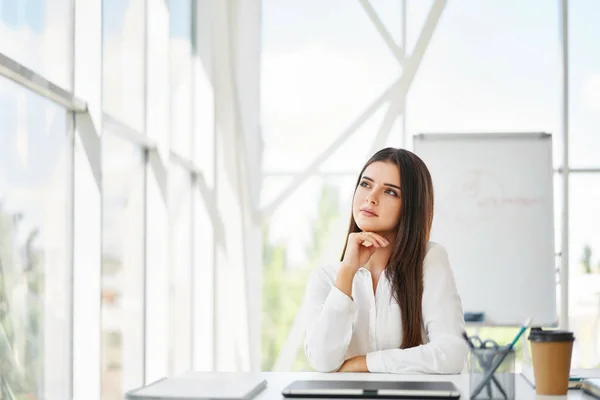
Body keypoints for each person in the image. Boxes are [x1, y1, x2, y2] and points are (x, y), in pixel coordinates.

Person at [303, 147, 468, 374]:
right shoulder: (326, 278)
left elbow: (451, 354)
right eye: (366, 184)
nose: (371, 198)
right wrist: (347, 273)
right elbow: (322, 361)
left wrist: (363, 364)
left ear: (410, 206)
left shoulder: (429, 260)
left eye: (390, 192)